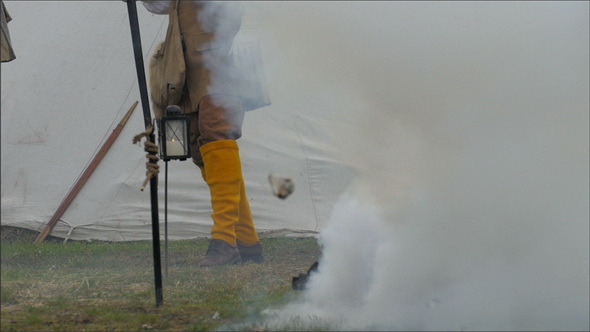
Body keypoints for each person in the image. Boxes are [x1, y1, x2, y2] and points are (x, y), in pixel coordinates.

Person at [140, 0, 264, 267]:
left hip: (224, 61)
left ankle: (224, 240)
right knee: (201, 149)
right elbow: (159, 5)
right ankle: (247, 241)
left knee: (217, 133)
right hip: (188, 69)